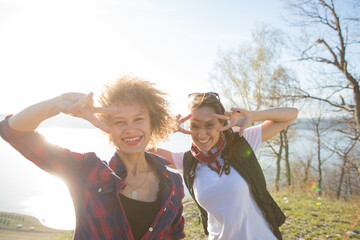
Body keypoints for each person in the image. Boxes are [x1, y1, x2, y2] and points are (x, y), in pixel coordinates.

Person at [0, 76, 186, 240]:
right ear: (105, 126)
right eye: (119, 121)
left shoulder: (173, 182)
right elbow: (13, 132)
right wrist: (57, 104)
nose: (130, 129)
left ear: (152, 123)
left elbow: (174, 235)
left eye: (138, 119)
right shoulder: (84, 171)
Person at [151, 92, 298, 240]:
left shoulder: (241, 142)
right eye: (195, 126)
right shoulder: (187, 161)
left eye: (210, 125)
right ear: (186, 126)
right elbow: (141, 147)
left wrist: (252, 116)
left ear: (222, 123)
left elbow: (291, 114)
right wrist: (166, 129)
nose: (202, 134)